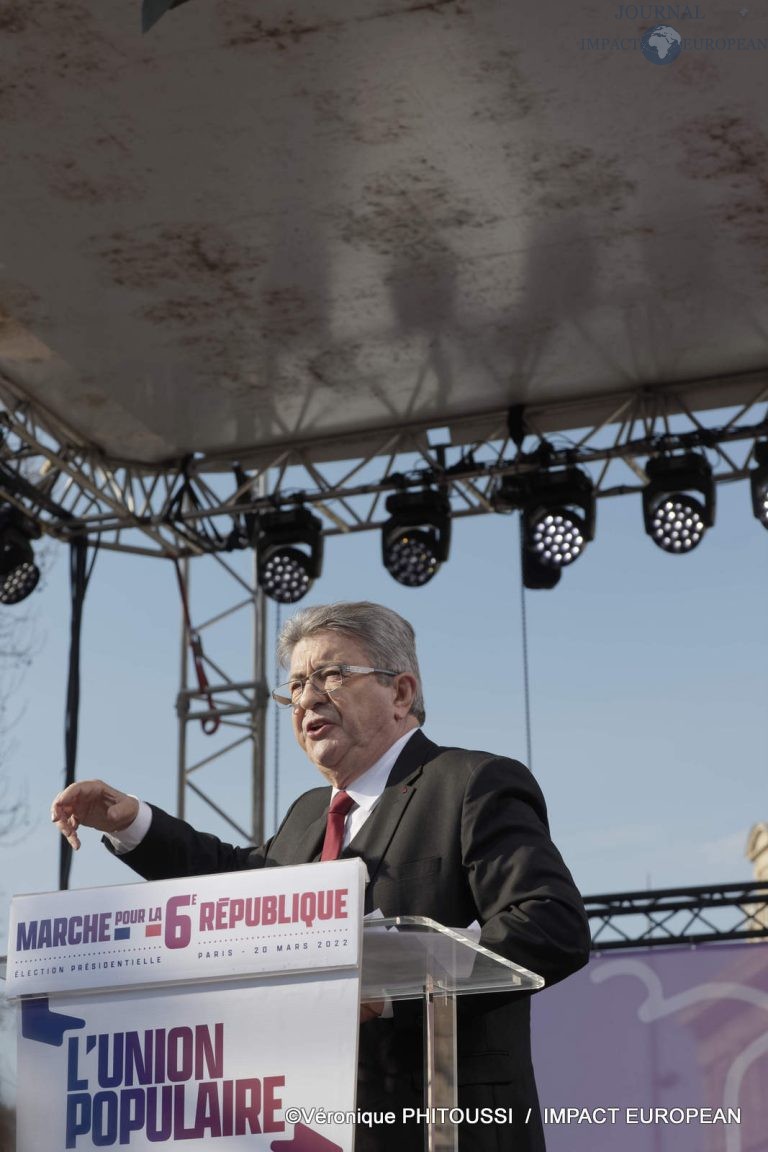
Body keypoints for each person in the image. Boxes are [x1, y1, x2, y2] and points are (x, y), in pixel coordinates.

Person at [51, 601, 590, 1151]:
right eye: (297, 685)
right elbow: (239, 881)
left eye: (332, 675)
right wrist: (133, 822)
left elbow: (550, 926)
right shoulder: (309, 814)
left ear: (401, 693)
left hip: (444, 1123)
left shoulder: (470, 783)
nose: (307, 697)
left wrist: (390, 994)